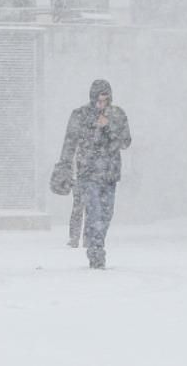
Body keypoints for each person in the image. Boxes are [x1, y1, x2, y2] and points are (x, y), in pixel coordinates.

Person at [58, 79, 131, 268]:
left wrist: (108, 127)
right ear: (92, 99)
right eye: (99, 101)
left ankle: (95, 241)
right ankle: (96, 252)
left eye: (105, 100)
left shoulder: (117, 115)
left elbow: (125, 142)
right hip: (88, 172)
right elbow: (70, 142)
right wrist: (65, 165)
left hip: (110, 173)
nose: (102, 104)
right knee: (94, 211)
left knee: (106, 214)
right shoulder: (80, 115)